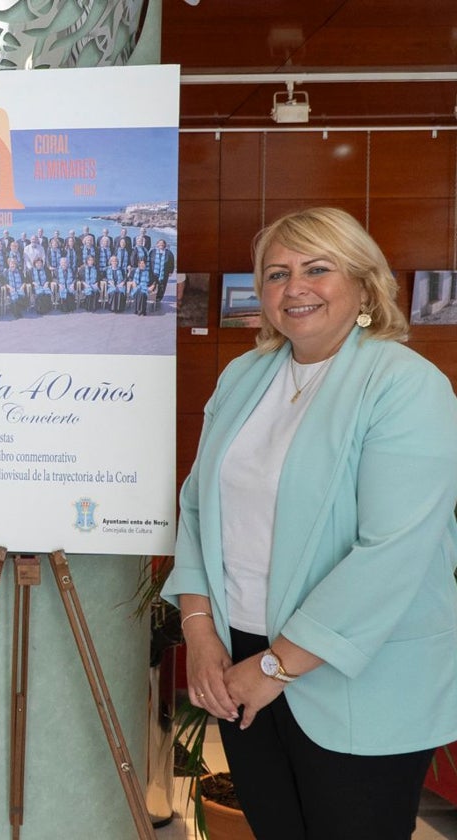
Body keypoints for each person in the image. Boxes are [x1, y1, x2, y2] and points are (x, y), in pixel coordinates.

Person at [162, 207, 457, 840]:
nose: (294, 287)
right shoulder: (244, 376)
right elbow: (195, 507)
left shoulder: (405, 385)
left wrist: (275, 667)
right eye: (275, 273)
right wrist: (200, 629)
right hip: (238, 658)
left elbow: (392, 552)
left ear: (364, 283)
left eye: (317, 269)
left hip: (356, 673)